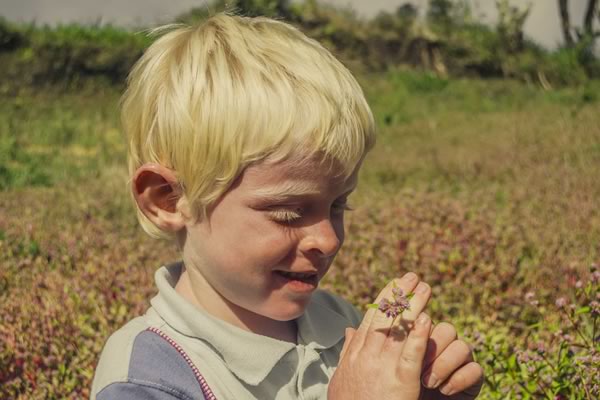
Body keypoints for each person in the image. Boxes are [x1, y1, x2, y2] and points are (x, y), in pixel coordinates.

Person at [91, 13, 484, 400]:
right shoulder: (147, 378)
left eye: (338, 204)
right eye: (288, 213)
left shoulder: (342, 323)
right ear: (168, 199)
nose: (328, 240)